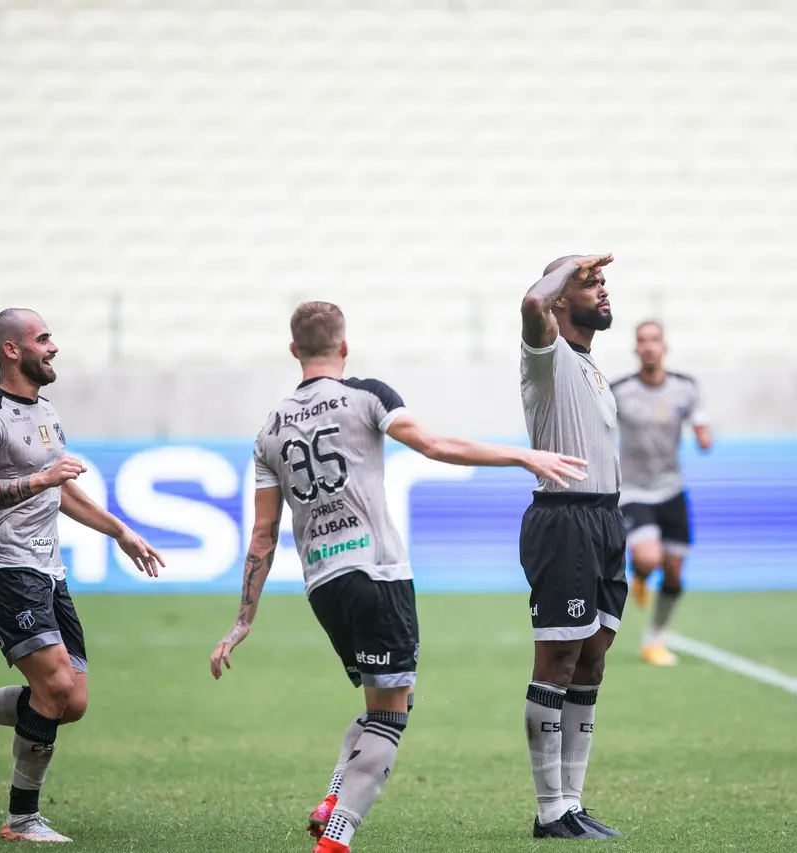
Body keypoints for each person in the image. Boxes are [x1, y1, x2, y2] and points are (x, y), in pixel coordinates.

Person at [208, 301, 588, 853]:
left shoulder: (268, 429)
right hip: (378, 572)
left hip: (323, 583)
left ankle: (333, 798)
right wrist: (523, 456)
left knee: (384, 704)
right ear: (344, 346)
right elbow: (434, 445)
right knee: (390, 717)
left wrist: (243, 620)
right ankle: (336, 839)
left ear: (293, 351)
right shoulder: (367, 395)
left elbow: (262, 536)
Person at [0, 308, 165, 843]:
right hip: (2, 565)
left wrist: (119, 531)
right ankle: (22, 818)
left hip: (48, 568)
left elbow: (59, 489)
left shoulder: (45, 411)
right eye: (43, 338)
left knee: (71, 702)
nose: (54, 347)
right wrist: (39, 477)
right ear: (12, 350)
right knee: (55, 686)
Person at [518, 254, 626, 840]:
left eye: (604, 281)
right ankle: (548, 809)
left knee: (593, 656)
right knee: (558, 659)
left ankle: (573, 803)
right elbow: (532, 304)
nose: (603, 289)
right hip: (565, 521)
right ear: (561, 298)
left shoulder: (589, 365)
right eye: (590, 283)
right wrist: (567, 268)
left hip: (605, 520)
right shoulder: (547, 356)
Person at [611, 321, 711, 667]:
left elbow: (700, 422)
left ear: (664, 346)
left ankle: (654, 638)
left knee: (674, 571)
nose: (649, 346)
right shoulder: (620, 390)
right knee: (649, 558)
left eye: (655, 340)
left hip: (672, 489)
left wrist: (703, 434)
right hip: (634, 490)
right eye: (642, 341)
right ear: (635, 348)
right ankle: (639, 573)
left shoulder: (685, 388)